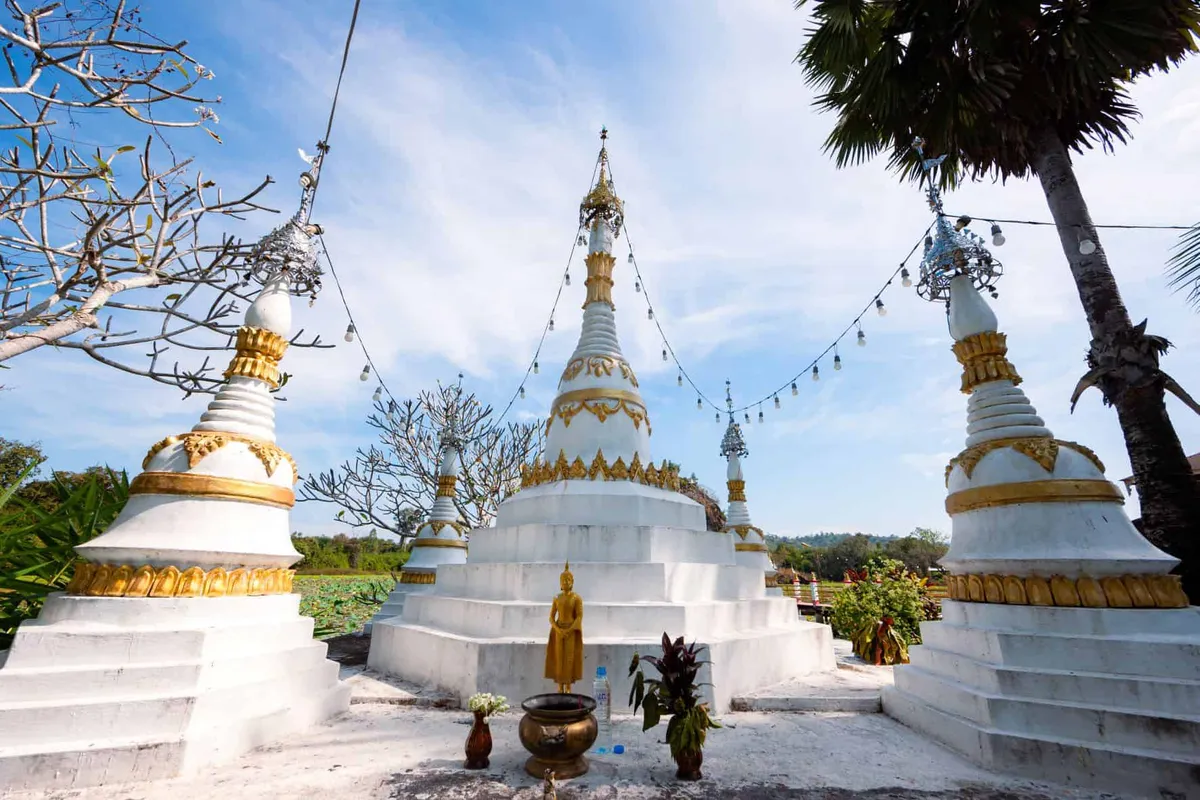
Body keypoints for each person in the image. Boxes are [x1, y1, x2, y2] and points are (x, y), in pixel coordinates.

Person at [545, 562, 584, 693]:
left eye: (568, 579)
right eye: (563, 580)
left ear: (572, 582)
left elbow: (579, 616)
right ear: (560, 583)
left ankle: (568, 686)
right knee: (559, 659)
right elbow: (551, 617)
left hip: (571, 631)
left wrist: (570, 629)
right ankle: (559, 686)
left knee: (569, 659)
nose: (566, 582)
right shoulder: (556, 598)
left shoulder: (576, 598)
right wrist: (558, 630)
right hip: (559, 631)